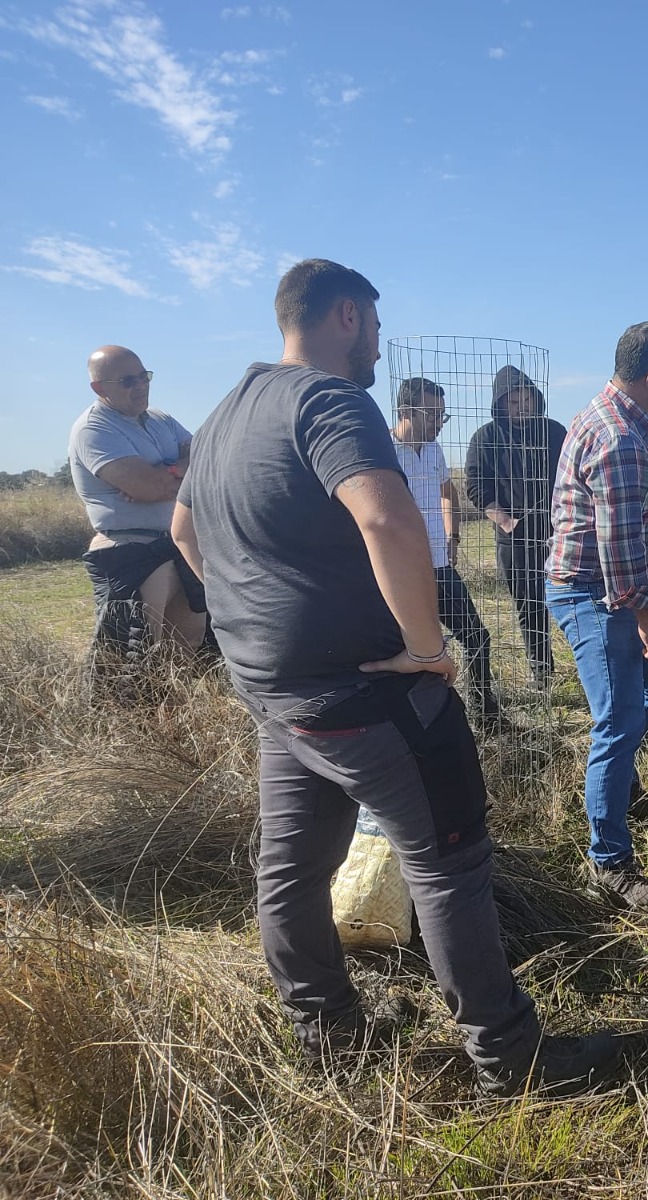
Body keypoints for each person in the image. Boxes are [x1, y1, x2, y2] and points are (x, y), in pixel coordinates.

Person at [170, 258, 616, 1094]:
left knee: (291, 871)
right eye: (375, 327)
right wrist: (424, 646)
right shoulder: (329, 400)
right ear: (347, 315)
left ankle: (328, 1033)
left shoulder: (225, 412)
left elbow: (185, 533)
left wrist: (258, 620)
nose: (378, 346)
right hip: (371, 696)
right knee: (449, 865)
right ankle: (510, 1058)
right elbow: (387, 518)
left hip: (277, 696)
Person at [546, 322, 648, 910]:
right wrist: (647, 614)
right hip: (595, 592)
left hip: (611, 585)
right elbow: (614, 545)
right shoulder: (620, 438)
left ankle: (617, 779)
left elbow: (628, 524)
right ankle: (610, 865)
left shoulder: (619, 420)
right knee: (617, 720)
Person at [68, 345, 207, 670]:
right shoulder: (93, 429)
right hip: (132, 552)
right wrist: (180, 473)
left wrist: (170, 471)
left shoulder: (161, 419)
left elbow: (207, 460)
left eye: (144, 376)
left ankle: (179, 706)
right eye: (128, 381)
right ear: (99, 388)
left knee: (187, 652)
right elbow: (149, 487)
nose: (141, 385)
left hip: (179, 546)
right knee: (132, 660)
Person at [391, 376, 501, 720]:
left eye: (443, 415)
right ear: (405, 411)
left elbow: (447, 491)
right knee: (417, 649)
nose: (439, 423)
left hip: (440, 565)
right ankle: (423, 719)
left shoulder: (434, 450)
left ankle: (486, 714)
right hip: (401, 573)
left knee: (477, 637)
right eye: (431, 415)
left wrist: (452, 536)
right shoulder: (383, 452)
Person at [465, 366, 567, 683]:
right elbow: (476, 487)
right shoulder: (486, 438)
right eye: (513, 402)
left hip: (558, 532)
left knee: (572, 600)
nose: (522, 407)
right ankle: (542, 673)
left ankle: (592, 661)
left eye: (527, 400)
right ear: (499, 403)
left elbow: (572, 477)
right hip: (515, 538)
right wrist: (505, 520)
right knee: (530, 605)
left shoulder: (554, 432)